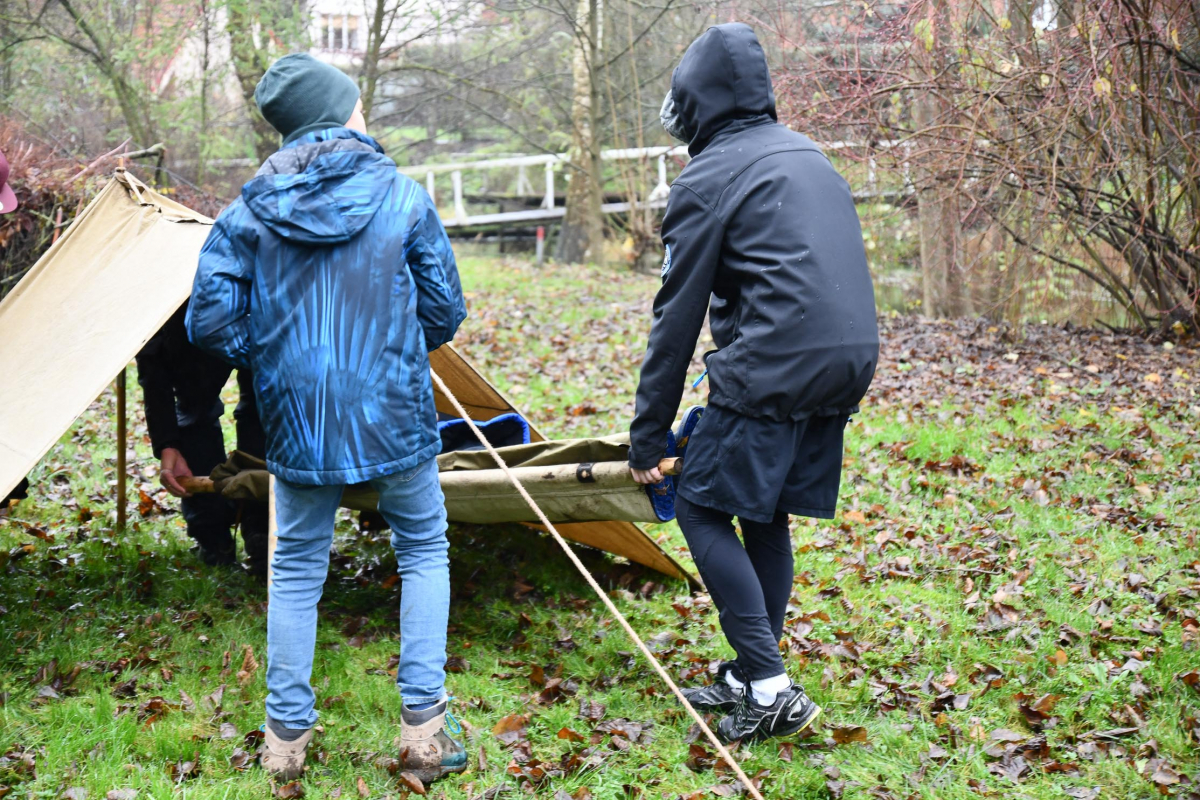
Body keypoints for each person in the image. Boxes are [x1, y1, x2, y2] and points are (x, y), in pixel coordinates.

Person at [186, 54, 468, 784]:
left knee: (297, 568)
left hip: (298, 422)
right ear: (340, 113)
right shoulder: (403, 196)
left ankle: (284, 743)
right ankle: (424, 732)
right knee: (424, 551)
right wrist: (390, 348)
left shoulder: (247, 212)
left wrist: (276, 356)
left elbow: (210, 322)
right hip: (394, 415)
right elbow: (445, 310)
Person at [629, 23, 879, 743]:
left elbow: (674, 320)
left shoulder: (707, 177)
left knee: (702, 510)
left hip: (776, 361)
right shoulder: (807, 155)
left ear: (694, 103)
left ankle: (769, 688)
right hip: (849, 357)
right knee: (762, 510)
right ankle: (749, 672)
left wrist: (648, 437)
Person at [136, 303, 269, 572]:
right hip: (185, 311)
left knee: (264, 406)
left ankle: (263, 531)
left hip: (266, 300)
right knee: (200, 409)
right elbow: (154, 359)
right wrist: (168, 443)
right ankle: (218, 537)